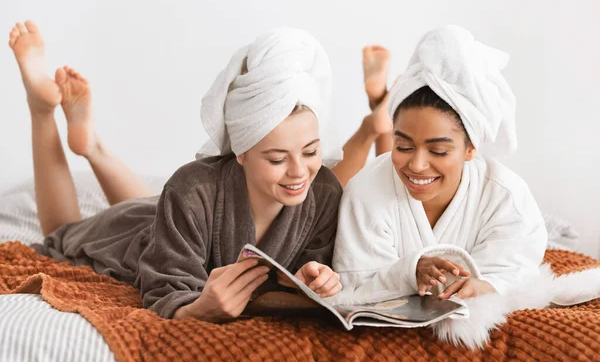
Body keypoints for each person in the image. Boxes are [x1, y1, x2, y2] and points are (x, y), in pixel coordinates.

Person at [8, 21, 354, 322]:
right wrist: (197, 309)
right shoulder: (193, 189)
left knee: (154, 204)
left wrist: (315, 279)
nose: (299, 172)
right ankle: (41, 110)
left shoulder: (323, 192)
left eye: (311, 152)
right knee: (63, 233)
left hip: (174, 220)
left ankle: (92, 147)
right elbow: (166, 290)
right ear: (241, 153)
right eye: (277, 159)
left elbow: (312, 265)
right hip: (144, 241)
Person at [332, 25, 548, 304]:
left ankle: (378, 102)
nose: (418, 165)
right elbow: (354, 284)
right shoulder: (365, 192)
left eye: (438, 150)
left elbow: (518, 269)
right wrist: (410, 271)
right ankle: (377, 111)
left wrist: (488, 286)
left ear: (471, 148)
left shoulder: (505, 195)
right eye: (403, 146)